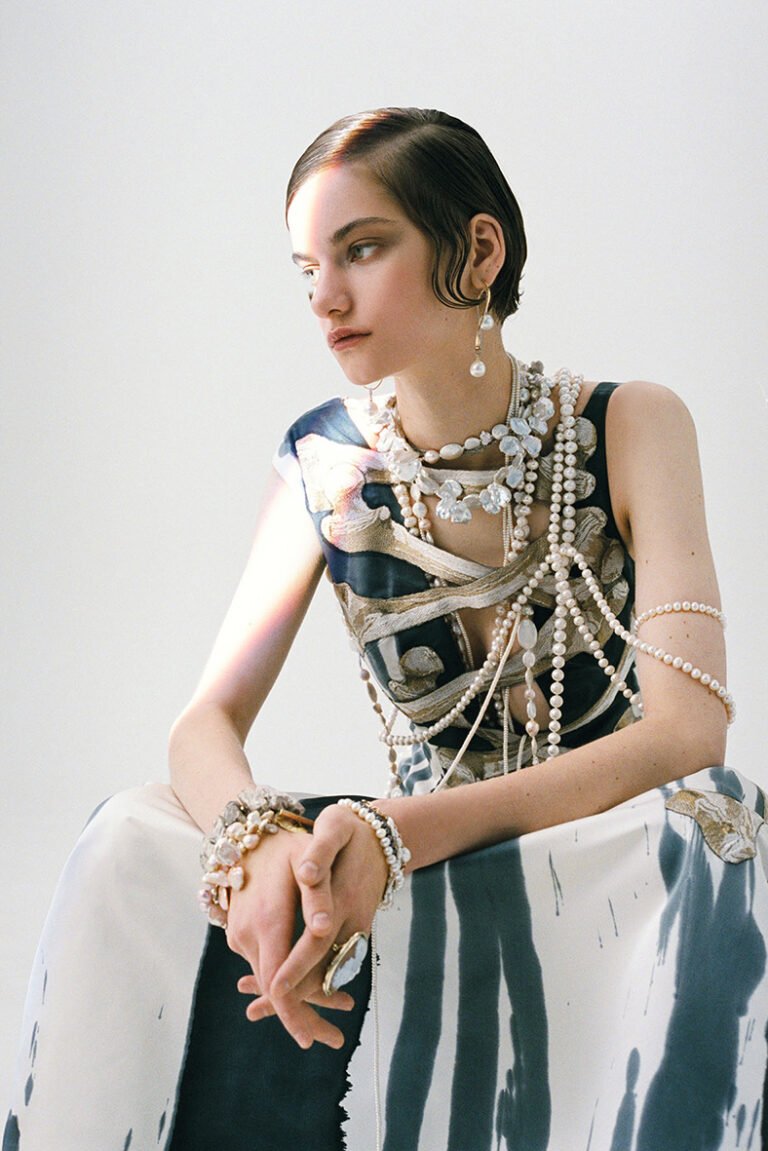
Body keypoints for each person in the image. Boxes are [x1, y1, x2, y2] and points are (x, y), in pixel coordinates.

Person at [5, 107, 768, 1151]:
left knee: (719, 817)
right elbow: (204, 722)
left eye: (362, 248)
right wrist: (261, 843)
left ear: (479, 250)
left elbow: (691, 734)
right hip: (405, 861)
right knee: (132, 831)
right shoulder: (323, 463)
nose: (324, 295)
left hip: (606, 860)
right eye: (305, 266)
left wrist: (395, 833)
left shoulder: (633, 423)